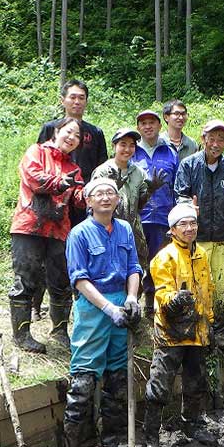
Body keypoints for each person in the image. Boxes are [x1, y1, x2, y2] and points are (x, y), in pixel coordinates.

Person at [61, 177, 143, 447]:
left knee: (118, 380)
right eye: (100, 194)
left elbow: (134, 267)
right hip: (93, 309)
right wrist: (107, 308)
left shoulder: (124, 229)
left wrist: (132, 297)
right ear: (88, 201)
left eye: (111, 193)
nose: (106, 197)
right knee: (83, 383)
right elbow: (79, 279)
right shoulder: (79, 234)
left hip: (122, 304)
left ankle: (111, 441)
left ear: (118, 199)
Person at [173, 119, 224, 409]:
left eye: (221, 139)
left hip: (223, 236)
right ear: (203, 139)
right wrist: (189, 207)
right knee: (198, 287)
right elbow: (179, 193)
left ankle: (221, 333)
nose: (216, 144)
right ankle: (197, 329)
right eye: (212, 138)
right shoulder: (189, 165)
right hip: (199, 237)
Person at [9, 118, 86, 354]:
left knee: (61, 281)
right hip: (29, 225)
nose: (72, 138)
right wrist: (60, 183)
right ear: (56, 131)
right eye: (68, 132)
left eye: (77, 136)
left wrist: (91, 194)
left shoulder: (74, 168)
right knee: (26, 279)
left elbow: (78, 198)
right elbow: (33, 179)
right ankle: (21, 335)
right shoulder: (36, 152)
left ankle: (60, 332)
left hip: (59, 229)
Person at [33, 80, 108, 320]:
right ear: (63, 100)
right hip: (52, 201)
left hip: (81, 201)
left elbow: (100, 169)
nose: (77, 102)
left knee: (81, 249)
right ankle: (36, 304)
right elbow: (40, 161)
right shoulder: (50, 128)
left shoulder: (95, 133)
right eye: (72, 97)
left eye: (81, 97)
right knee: (45, 253)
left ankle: (78, 299)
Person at [142, 203, 215, 446]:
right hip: (171, 331)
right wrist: (174, 300)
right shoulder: (164, 258)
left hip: (197, 330)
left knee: (196, 381)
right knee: (161, 383)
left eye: (193, 223)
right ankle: (151, 433)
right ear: (172, 230)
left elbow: (208, 291)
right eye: (183, 224)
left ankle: (191, 425)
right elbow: (162, 294)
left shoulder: (201, 255)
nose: (189, 228)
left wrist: (209, 323)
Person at [131, 110, 179, 316]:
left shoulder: (170, 152)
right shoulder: (131, 151)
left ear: (160, 125)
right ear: (138, 128)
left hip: (163, 217)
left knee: (159, 261)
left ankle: (154, 303)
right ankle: (132, 304)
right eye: (143, 123)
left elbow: (178, 185)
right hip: (136, 217)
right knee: (134, 262)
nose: (148, 126)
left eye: (152, 122)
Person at [91, 128, 152, 272]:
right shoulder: (103, 171)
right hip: (107, 230)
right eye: (123, 145)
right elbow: (92, 204)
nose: (127, 149)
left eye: (132, 145)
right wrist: (112, 192)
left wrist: (150, 191)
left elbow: (139, 205)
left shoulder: (139, 173)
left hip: (133, 230)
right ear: (114, 146)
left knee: (134, 270)